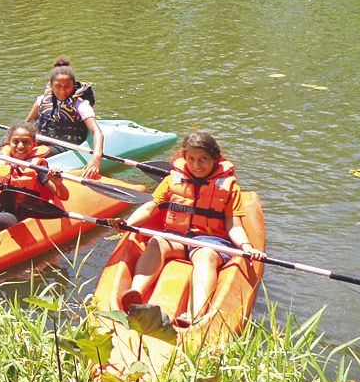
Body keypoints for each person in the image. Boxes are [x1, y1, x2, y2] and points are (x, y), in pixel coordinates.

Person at [107, 131, 266, 327]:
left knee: (205, 256)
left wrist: (247, 246)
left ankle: (194, 313)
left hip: (210, 241)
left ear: (215, 159)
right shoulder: (172, 180)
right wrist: (128, 224)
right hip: (176, 236)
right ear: (184, 157)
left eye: (203, 159)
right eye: (191, 159)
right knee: (157, 242)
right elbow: (151, 207)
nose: (197, 165)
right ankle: (136, 293)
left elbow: (233, 224)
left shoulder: (228, 187)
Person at [25, 56, 104, 179]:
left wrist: (96, 158)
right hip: (42, 139)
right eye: (58, 86)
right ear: (51, 85)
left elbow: (97, 132)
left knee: (36, 152)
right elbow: (27, 123)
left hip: (64, 146)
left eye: (67, 86)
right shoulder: (41, 100)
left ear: (73, 85)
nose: (63, 91)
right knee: (9, 140)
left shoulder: (81, 105)